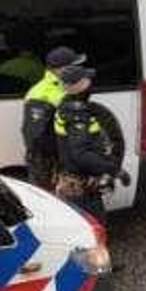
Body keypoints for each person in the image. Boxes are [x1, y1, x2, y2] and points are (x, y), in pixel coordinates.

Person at [53, 65, 129, 222]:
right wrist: (114, 170)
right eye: (87, 80)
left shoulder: (69, 106)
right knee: (93, 234)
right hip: (79, 190)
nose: (91, 83)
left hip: (78, 186)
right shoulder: (76, 114)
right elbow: (81, 155)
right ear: (80, 86)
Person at [21, 46, 86, 190]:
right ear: (61, 69)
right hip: (49, 166)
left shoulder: (66, 87)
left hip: (67, 162)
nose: (79, 69)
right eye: (74, 66)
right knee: (51, 206)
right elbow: (34, 138)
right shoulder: (42, 93)